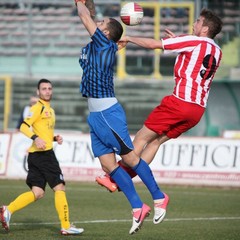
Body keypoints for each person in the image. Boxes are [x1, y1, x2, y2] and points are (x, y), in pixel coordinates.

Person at [96, 8, 223, 191]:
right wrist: (177, 41)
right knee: (155, 142)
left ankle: (116, 179)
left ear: (204, 29)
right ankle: (123, 182)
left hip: (180, 102)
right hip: (197, 110)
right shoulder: (217, 51)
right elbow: (196, 57)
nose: (194, 23)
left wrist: (130, 38)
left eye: (198, 21)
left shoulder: (193, 41)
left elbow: (153, 44)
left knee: (141, 138)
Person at [75, 0, 169, 234]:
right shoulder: (98, 45)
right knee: (108, 165)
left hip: (108, 112)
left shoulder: (105, 44)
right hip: (95, 115)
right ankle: (138, 206)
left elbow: (86, 18)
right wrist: (90, 4)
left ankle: (159, 196)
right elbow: (92, 16)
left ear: (105, 33)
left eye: (103, 23)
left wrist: (79, 3)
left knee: (129, 159)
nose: (99, 21)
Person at [0, 79, 84, 236]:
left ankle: (7, 209)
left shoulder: (50, 111)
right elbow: (24, 126)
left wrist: (53, 138)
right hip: (44, 155)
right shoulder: (37, 107)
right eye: (44, 89)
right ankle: (66, 226)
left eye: (49, 88)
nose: (47, 91)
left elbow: (44, 133)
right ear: (38, 92)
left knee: (37, 192)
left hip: (36, 156)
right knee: (59, 187)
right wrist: (35, 138)